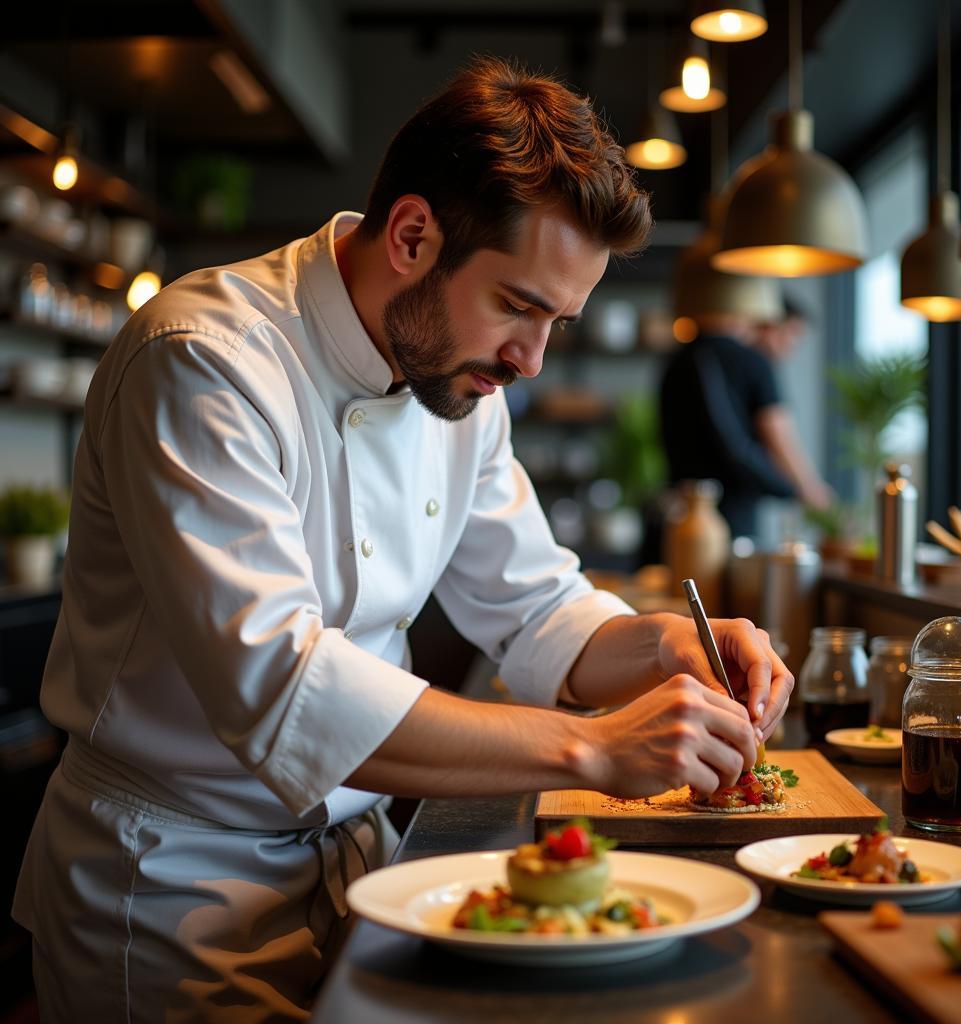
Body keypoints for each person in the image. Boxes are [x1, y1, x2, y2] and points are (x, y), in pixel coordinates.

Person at [14, 58, 793, 1022]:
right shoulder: (204, 363)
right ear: (415, 234)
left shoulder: (459, 383)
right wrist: (594, 751)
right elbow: (282, 691)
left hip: (361, 876)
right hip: (174, 892)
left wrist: (663, 646)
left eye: (558, 321)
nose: (531, 360)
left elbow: (539, 609)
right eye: (517, 305)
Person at [660, 309, 832, 540]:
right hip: (734, 513)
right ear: (768, 326)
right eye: (789, 336)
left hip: (679, 512)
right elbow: (779, 437)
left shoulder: (678, 358)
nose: (789, 349)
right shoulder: (754, 363)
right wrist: (810, 491)